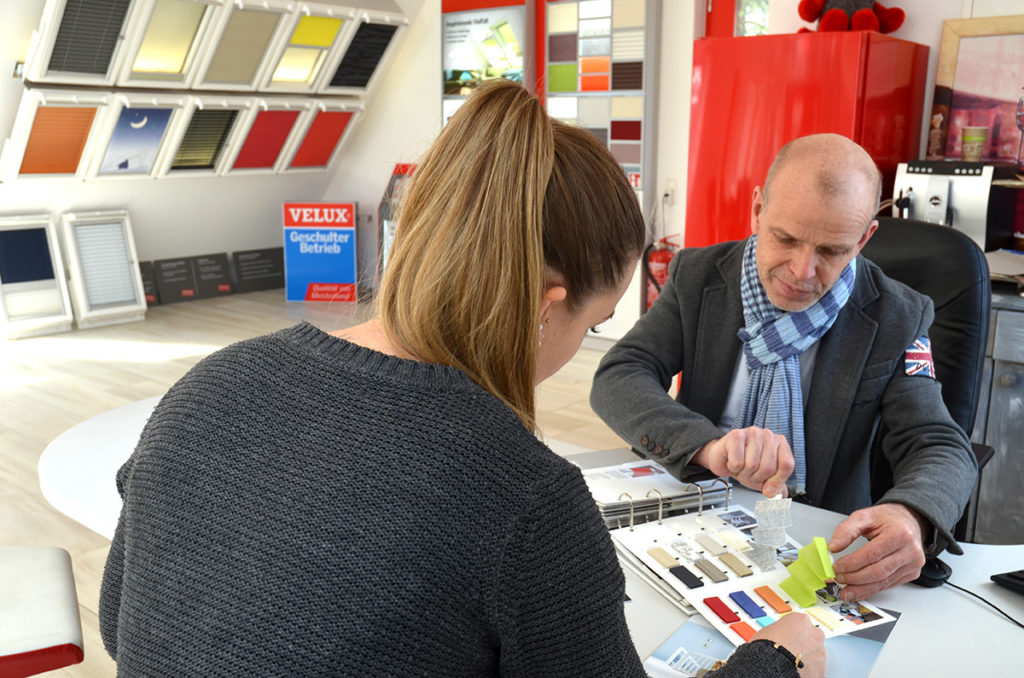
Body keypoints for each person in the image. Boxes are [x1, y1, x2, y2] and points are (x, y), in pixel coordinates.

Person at [98, 81, 824, 677]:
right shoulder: (523, 498)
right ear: (549, 303)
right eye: (593, 322)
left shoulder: (211, 385)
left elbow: (119, 621)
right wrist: (776, 662)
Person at [591, 133, 977, 603]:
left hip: (820, 547)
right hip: (695, 519)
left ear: (864, 238)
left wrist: (911, 514)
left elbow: (937, 442)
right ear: (757, 210)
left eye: (832, 251)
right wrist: (708, 446)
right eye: (786, 238)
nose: (801, 270)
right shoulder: (697, 276)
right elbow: (621, 373)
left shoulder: (899, 316)